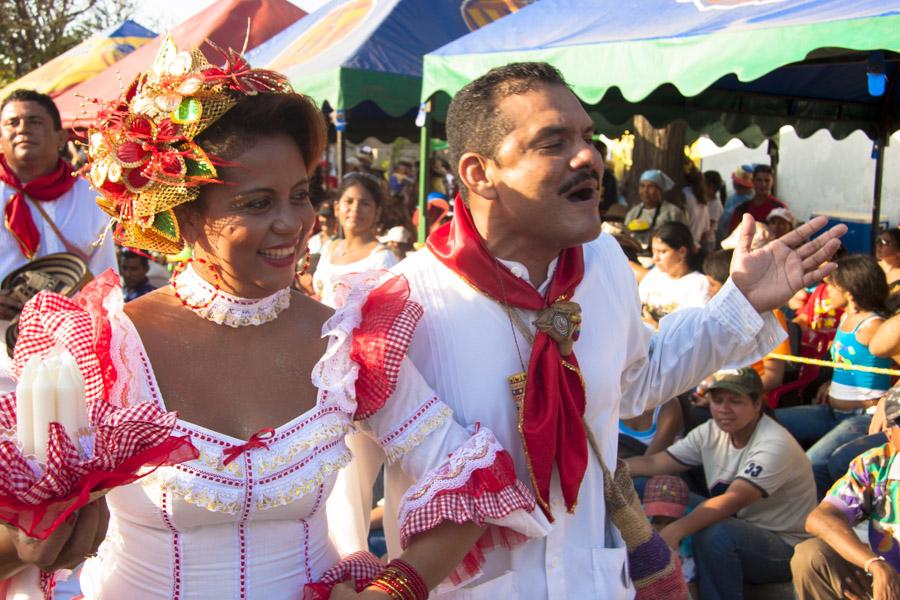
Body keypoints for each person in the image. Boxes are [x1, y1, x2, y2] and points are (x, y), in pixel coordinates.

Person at [0, 39, 542, 599]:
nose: (294, 223)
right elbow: (18, 532)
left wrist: (391, 590)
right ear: (184, 217)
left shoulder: (348, 342)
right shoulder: (102, 349)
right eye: (257, 204)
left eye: (300, 195)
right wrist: (31, 537)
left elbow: (472, 480)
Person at [361, 61, 843, 598]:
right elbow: (347, 491)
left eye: (588, 137)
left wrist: (741, 302)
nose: (589, 156)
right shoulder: (400, 306)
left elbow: (635, 381)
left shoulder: (603, 262)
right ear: (479, 174)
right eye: (552, 141)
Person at [627, 368, 817, 600]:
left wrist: (674, 531)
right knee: (642, 485)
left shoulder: (774, 443)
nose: (724, 409)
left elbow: (732, 500)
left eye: (735, 401)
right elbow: (656, 462)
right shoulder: (711, 431)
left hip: (783, 546)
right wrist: (607, 471)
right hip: (736, 525)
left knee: (715, 534)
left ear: (757, 404)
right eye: (717, 401)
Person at [777, 254, 894, 498]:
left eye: (832, 284)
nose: (826, 290)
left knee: (811, 465)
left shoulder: (873, 326)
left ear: (850, 290)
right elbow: (851, 362)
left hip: (862, 417)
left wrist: (888, 400)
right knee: (771, 421)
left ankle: (816, 517)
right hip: (832, 412)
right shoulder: (845, 318)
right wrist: (833, 383)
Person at [0, 89, 117, 324]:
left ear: (61, 137)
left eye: (35, 121)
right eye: (12, 123)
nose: (22, 129)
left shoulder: (92, 196)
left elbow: (106, 280)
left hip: (76, 343)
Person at [791, 389, 900, 600]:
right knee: (812, 556)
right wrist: (875, 565)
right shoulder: (877, 463)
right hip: (885, 579)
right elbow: (819, 518)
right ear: (889, 432)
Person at [704, 249, 790, 394]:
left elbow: (773, 377)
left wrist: (727, 396)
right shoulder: (714, 314)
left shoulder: (771, 316)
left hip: (746, 398)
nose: (707, 290)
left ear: (729, 287)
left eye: (712, 285)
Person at [312, 172, 398, 307]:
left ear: (377, 212)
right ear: (336, 208)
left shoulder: (382, 258)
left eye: (365, 203)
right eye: (349, 201)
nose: (355, 208)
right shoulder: (329, 248)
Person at [639, 221, 710, 328]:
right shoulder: (654, 275)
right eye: (653, 251)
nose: (655, 259)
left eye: (662, 252)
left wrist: (656, 327)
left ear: (682, 252)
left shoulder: (699, 284)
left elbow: (694, 329)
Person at [624, 169, 686, 249]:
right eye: (642, 186)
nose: (645, 191)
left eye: (650, 186)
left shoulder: (673, 212)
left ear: (660, 190)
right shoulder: (633, 213)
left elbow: (683, 238)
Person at [728, 164, 786, 231]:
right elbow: (732, 235)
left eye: (767, 180)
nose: (763, 184)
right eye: (759, 180)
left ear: (772, 182)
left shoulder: (780, 208)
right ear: (752, 181)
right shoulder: (741, 209)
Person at [718, 165, 754, 240]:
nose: (738, 187)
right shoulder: (731, 196)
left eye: (741, 186)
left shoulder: (749, 200)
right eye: (736, 183)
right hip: (723, 233)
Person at [682, 162, 709, 252]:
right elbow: (705, 231)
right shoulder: (701, 197)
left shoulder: (684, 195)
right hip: (697, 245)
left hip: (687, 246)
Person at [702, 170, 725, 252]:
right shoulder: (706, 201)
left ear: (711, 187)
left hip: (707, 241)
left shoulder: (716, 204)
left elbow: (709, 226)